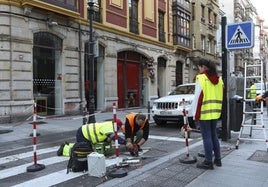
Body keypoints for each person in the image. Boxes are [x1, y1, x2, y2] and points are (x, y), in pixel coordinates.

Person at [192, 59, 224, 170]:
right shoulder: (219, 80)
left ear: (203, 67)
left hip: (204, 112)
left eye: (199, 67)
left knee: (207, 137)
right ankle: (218, 159)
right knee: (214, 135)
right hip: (215, 112)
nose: (198, 70)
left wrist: (194, 114)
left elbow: (197, 98)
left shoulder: (201, 78)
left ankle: (208, 162)